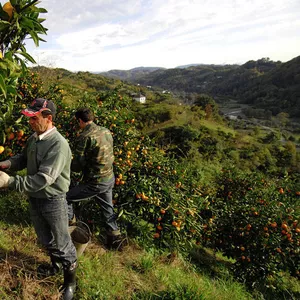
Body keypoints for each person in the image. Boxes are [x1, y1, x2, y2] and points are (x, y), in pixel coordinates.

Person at [0, 98, 77, 300]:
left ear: (48, 118)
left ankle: (70, 282)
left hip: (53, 200)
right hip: (35, 197)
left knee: (62, 241)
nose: (30, 122)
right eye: (29, 118)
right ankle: (56, 265)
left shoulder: (58, 145)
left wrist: (10, 182)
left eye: (34, 118)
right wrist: (6, 164)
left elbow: (44, 179)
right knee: (45, 237)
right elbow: (22, 158)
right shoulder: (35, 138)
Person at [67, 107, 125, 250]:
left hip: (96, 182)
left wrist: (66, 165)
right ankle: (116, 241)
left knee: (66, 197)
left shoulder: (85, 137)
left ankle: (71, 227)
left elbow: (77, 165)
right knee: (107, 209)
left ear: (80, 121)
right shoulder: (106, 130)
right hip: (109, 178)